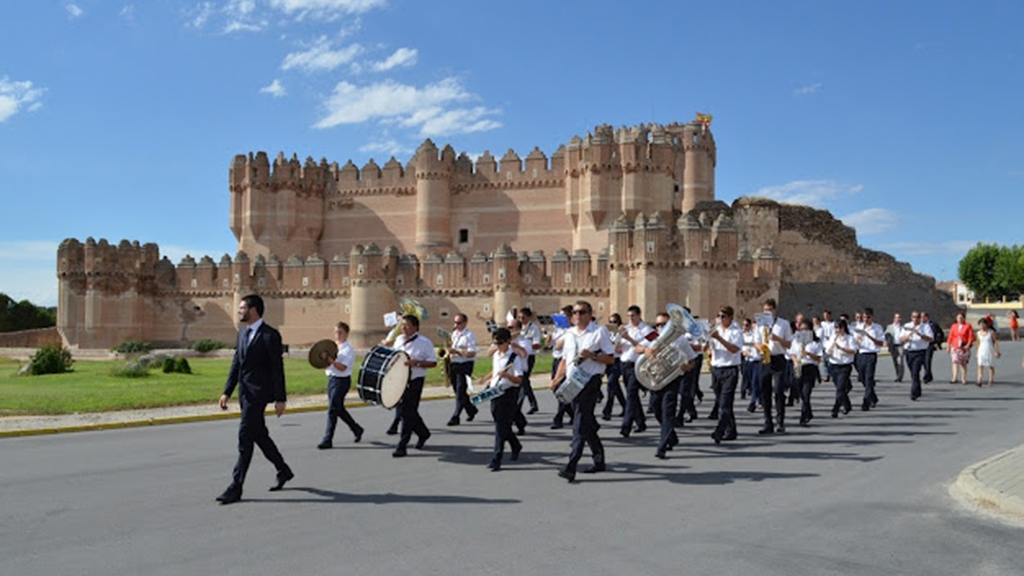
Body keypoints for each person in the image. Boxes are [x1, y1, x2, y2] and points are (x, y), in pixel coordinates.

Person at [216, 294, 293, 505]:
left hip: (258, 396)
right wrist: (227, 392)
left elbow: (277, 369)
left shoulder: (270, 335)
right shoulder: (241, 334)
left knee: (245, 439)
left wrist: (280, 398)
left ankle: (236, 487)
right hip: (244, 395)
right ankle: (283, 470)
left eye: (242, 308)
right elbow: (236, 365)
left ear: (254, 310)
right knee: (259, 435)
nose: (239, 311)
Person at [549, 300, 615, 483]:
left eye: (582, 312)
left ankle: (572, 465)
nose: (578, 315)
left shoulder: (598, 332)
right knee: (585, 421)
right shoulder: (569, 334)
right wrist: (556, 378)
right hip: (572, 381)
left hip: (590, 381)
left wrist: (592, 356)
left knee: (579, 422)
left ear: (589, 313)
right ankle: (598, 458)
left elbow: (610, 359)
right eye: (575, 312)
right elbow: (565, 360)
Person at [641, 312, 696, 458]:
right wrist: (647, 350)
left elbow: (692, 360)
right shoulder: (652, 336)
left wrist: (686, 367)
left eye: (664, 324)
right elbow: (637, 348)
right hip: (657, 379)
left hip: (672, 379)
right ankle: (672, 436)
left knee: (668, 412)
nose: (660, 327)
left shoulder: (680, 339)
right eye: (658, 324)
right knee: (656, 409)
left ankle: (662, 446)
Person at [391, 314, 437, 458]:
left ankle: (402, 445)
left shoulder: (425, 342)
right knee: (406, 411)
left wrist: (416, 362)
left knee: (407, 412)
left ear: (416, 328)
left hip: (415, 380)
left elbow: (433, 362)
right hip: (400, 380)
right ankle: (423, 433)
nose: (403, 328)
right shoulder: (398, 340)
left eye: (407, 325)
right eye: (402, 325)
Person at [317, 321, 364, 449]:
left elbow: (343, 367)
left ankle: (328, 439)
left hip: (342, 381)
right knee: (339, 409)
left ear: (346, 334)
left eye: (340, 333)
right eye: (336, 332)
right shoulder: (333, 347)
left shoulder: (348, 350)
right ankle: (356, 428)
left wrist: (330, 360)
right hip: (332, 379)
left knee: (332, 409)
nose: (337, 335)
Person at [484, 327, 524, 471]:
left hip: (508, 393)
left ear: (508, 342)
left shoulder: (514, 358)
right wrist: (485, 379)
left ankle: (497, 458)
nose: (498, 346)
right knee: (501, 424)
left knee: (500, 427)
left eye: (500, 343)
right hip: (495, 391)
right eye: (495, 343)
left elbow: (519, 380)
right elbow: (495, 371)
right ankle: (515, 444)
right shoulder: (497, 355)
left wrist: (507, 376)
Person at [754, 298, 793, 434]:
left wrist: (777, 339)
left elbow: (789, 344)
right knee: (765, 391)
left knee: (778, 390)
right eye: (765, 310)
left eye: (769, 310)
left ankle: (780, 422)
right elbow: (756, 341)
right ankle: (767, 422)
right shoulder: (760, 324)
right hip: (765, 358)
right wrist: (761, 347)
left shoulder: (783, 324)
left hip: (778, 358)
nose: (767, 312)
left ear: (775, 310)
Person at [708, 306, 744, 444]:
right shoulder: (716, 330)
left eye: (723, 316)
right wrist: (707, 339)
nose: (720, 319)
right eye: (718, 316)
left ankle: (719, 431)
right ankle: (731, 430)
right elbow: (707, 348)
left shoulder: (736, 331)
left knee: (725, 403)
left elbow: (735, 349)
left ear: (730, 318)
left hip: (730, 369)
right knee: (723, 403)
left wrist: (719, 338)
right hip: (716, 369)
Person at [617, 305, 652, 438]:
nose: (630, 319)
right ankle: (640, 421)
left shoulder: (646, 330)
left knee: (631, 394)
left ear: (639, 315)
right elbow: (618, 349)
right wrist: (619, 339)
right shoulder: (626, 329)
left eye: (633, 316)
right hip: (624, 363)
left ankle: (626, 426)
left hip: (637, 365)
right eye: (629, 316)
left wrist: (629, 338)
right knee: (632, 395)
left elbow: (643, 348)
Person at [446, 313, 478, 426]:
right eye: (455, 322)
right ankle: (471, 409)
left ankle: (456, 416)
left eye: (459, 323)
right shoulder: (454, 334)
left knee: (460, 390)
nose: (456, 325)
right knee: (458, 391)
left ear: (465, 323)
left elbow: (472, 352)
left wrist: (458, 352)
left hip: (465, 365)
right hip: (454, 364)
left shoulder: (469, 335)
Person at [791, 318, 822, 426]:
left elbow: (818, 357)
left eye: (806, 329)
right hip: (799, 366)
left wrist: (808, 354)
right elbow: (792, 353)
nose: (803, 331)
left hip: (810, 367)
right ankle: (809, 412)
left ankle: (803, 416)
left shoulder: (815, 342)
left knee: (806, 393)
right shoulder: (796, 340)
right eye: (801, 329)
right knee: (800, 392)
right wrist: (795, 361)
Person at [549, 304, 576, 429]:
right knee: (555, 388)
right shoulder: (557, 330)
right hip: (556, 360)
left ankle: (558, 418)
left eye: (564, 316)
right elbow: (551, 345)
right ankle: (573, 413)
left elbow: (560, 345)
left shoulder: (573, 331)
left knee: (562, 389)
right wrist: (549, 338)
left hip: (565, 360)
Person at [854, 308, 885, 411]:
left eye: (868, 317)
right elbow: (854, 342)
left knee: (869, 378)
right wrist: (858, 340)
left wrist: (869, 336)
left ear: (872, 317)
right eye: (864, 317)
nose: (866, 319)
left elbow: (881, 343)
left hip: (871, 354)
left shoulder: (877, 328)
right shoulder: (858, 327)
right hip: (861, 354)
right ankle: (873, 397)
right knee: (862, 377)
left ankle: (866, 402)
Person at [826, 319, 857, 418]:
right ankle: (847, 405)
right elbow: (827, 350)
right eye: (836, 328)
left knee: (840, 389)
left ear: (844, 328)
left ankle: (835, 409)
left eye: (839, 328)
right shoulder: (833, 338)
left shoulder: (850, 338)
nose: (837, 330)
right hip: (833, 365)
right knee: (840, 389)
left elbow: (853, 351)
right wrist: (830, 350)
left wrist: (841, 348)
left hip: (845, 366)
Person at [900, 311, 934, 401]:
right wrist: (907, 337)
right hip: (909, 351)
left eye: (918, 317)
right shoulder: (907, 326)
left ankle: (913, 393)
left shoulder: (925, 326)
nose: (916, 319)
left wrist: (920, 334)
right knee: (913, 373)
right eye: (914, 317)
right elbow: (901, 338)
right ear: (911, 318)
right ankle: (918, 389)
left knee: (915, 371)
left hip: (920, 352)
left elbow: (930, 338)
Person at [516, 308, 542, 415]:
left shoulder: (533, 328)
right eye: (520, 317)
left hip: (529, 357)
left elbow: (537, 344)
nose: (521, 320)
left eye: (523, 317)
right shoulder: (518, 328)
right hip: (520, 357)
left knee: (523, 381)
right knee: (524, 382)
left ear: (529, 317)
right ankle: (533, 404)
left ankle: (518, 405)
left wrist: (527, 345)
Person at [602, 313, 627, 421]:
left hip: (617, 360)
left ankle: (607, 410)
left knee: (611, 383)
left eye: (615, 322)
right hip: (609, 360)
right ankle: (625, 406)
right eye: (610, 322)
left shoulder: (621, 333)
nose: (612, 324)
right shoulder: (607, 333)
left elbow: (621, 349)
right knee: (614, 386)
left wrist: (618, 344)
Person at [946, 311, 975, 385]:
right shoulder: (954, 326)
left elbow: (970, 336)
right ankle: (954, 377)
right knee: (955, 361)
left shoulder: (968, 326)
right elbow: (950, 336)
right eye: (958, 318)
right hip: (955, 346)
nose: (960, 319)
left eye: (961, 318)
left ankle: (963, 378)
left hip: (963, 346)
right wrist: (948, 346)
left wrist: (968, 345)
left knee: (963, 363)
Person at [976, 317, 1000, 387]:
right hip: (981, 350)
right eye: (980, 324)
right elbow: (978, 343)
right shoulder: (978, 333)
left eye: (983, 324)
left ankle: (991, 380)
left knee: (990, 365)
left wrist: (996, 351)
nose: (982, 326)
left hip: (989, 349)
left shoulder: (991, 332)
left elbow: (995, 341)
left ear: (986, 325)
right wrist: (977, 352)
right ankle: (979, 380)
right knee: (980, 365)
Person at [922, 312, 943, 384]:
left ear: (926, 317)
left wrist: (937, 342)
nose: (921, 319)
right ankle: (929, 375)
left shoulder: (933, 324)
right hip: (921, 345)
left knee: (927, 360)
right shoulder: (919, 325)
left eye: (922, 317)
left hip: (930, 345)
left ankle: (926, 377)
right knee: (923, 361)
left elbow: (940, 333)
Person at [885, 313, 905, 383]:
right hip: (893, 346)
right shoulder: (890, 327)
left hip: (900, 345)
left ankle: (900, 376)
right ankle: (897, 374)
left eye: (899, 317)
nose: (898, 319)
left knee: (900, 361)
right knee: (895, 361)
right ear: (894, 319)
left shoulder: (903, 327)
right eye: (897, 318)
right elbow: (886, 335)